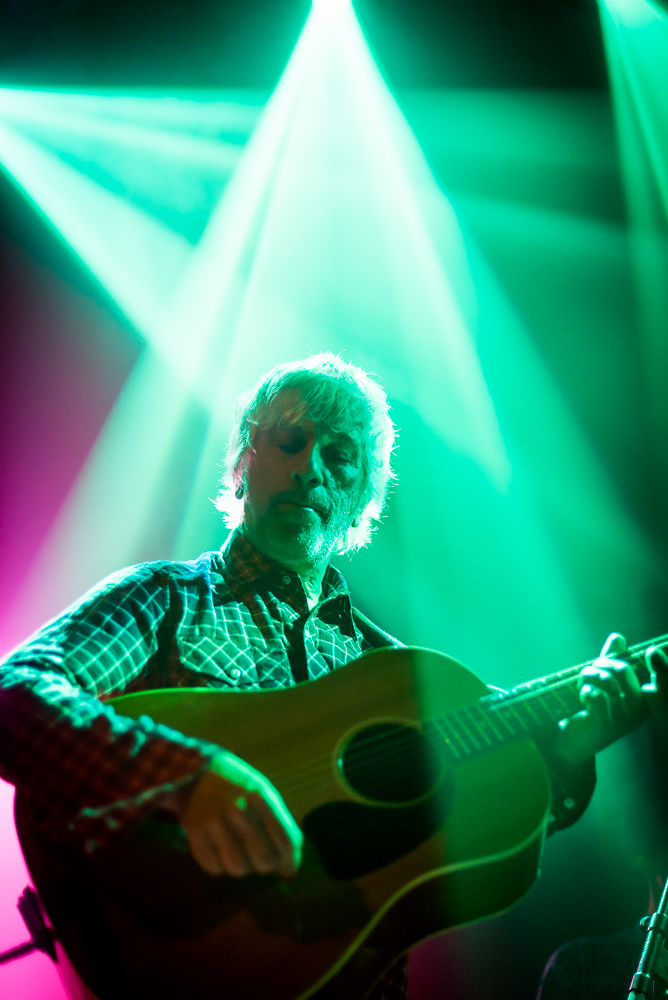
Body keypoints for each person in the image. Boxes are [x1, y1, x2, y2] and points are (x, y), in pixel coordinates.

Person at [0, 353, 665, 1000]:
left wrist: (568, 751)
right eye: (288, 442)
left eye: (339, 456)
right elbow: (14, 693)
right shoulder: (168, 599)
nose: (309, 470)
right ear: (241, 464)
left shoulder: (397, 673)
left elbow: (471, 838)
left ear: (365, 495)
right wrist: (185, 777)